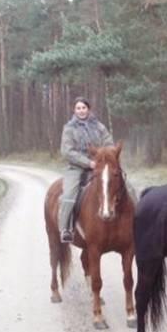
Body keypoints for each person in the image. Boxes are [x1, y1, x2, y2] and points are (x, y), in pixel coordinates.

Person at [59, 97, 114, 243]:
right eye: (78, 108)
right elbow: (67, 151)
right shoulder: (69, 128)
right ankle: (66, 228)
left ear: (88, 109)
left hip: (99, 165)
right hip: (76, 167)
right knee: (69, 195)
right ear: (74, 110)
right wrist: (88, 163)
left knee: (121, 185)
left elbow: (108, 143)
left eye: (83, 108)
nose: (81, 111)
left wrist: (104, 157)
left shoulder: (99, 126)